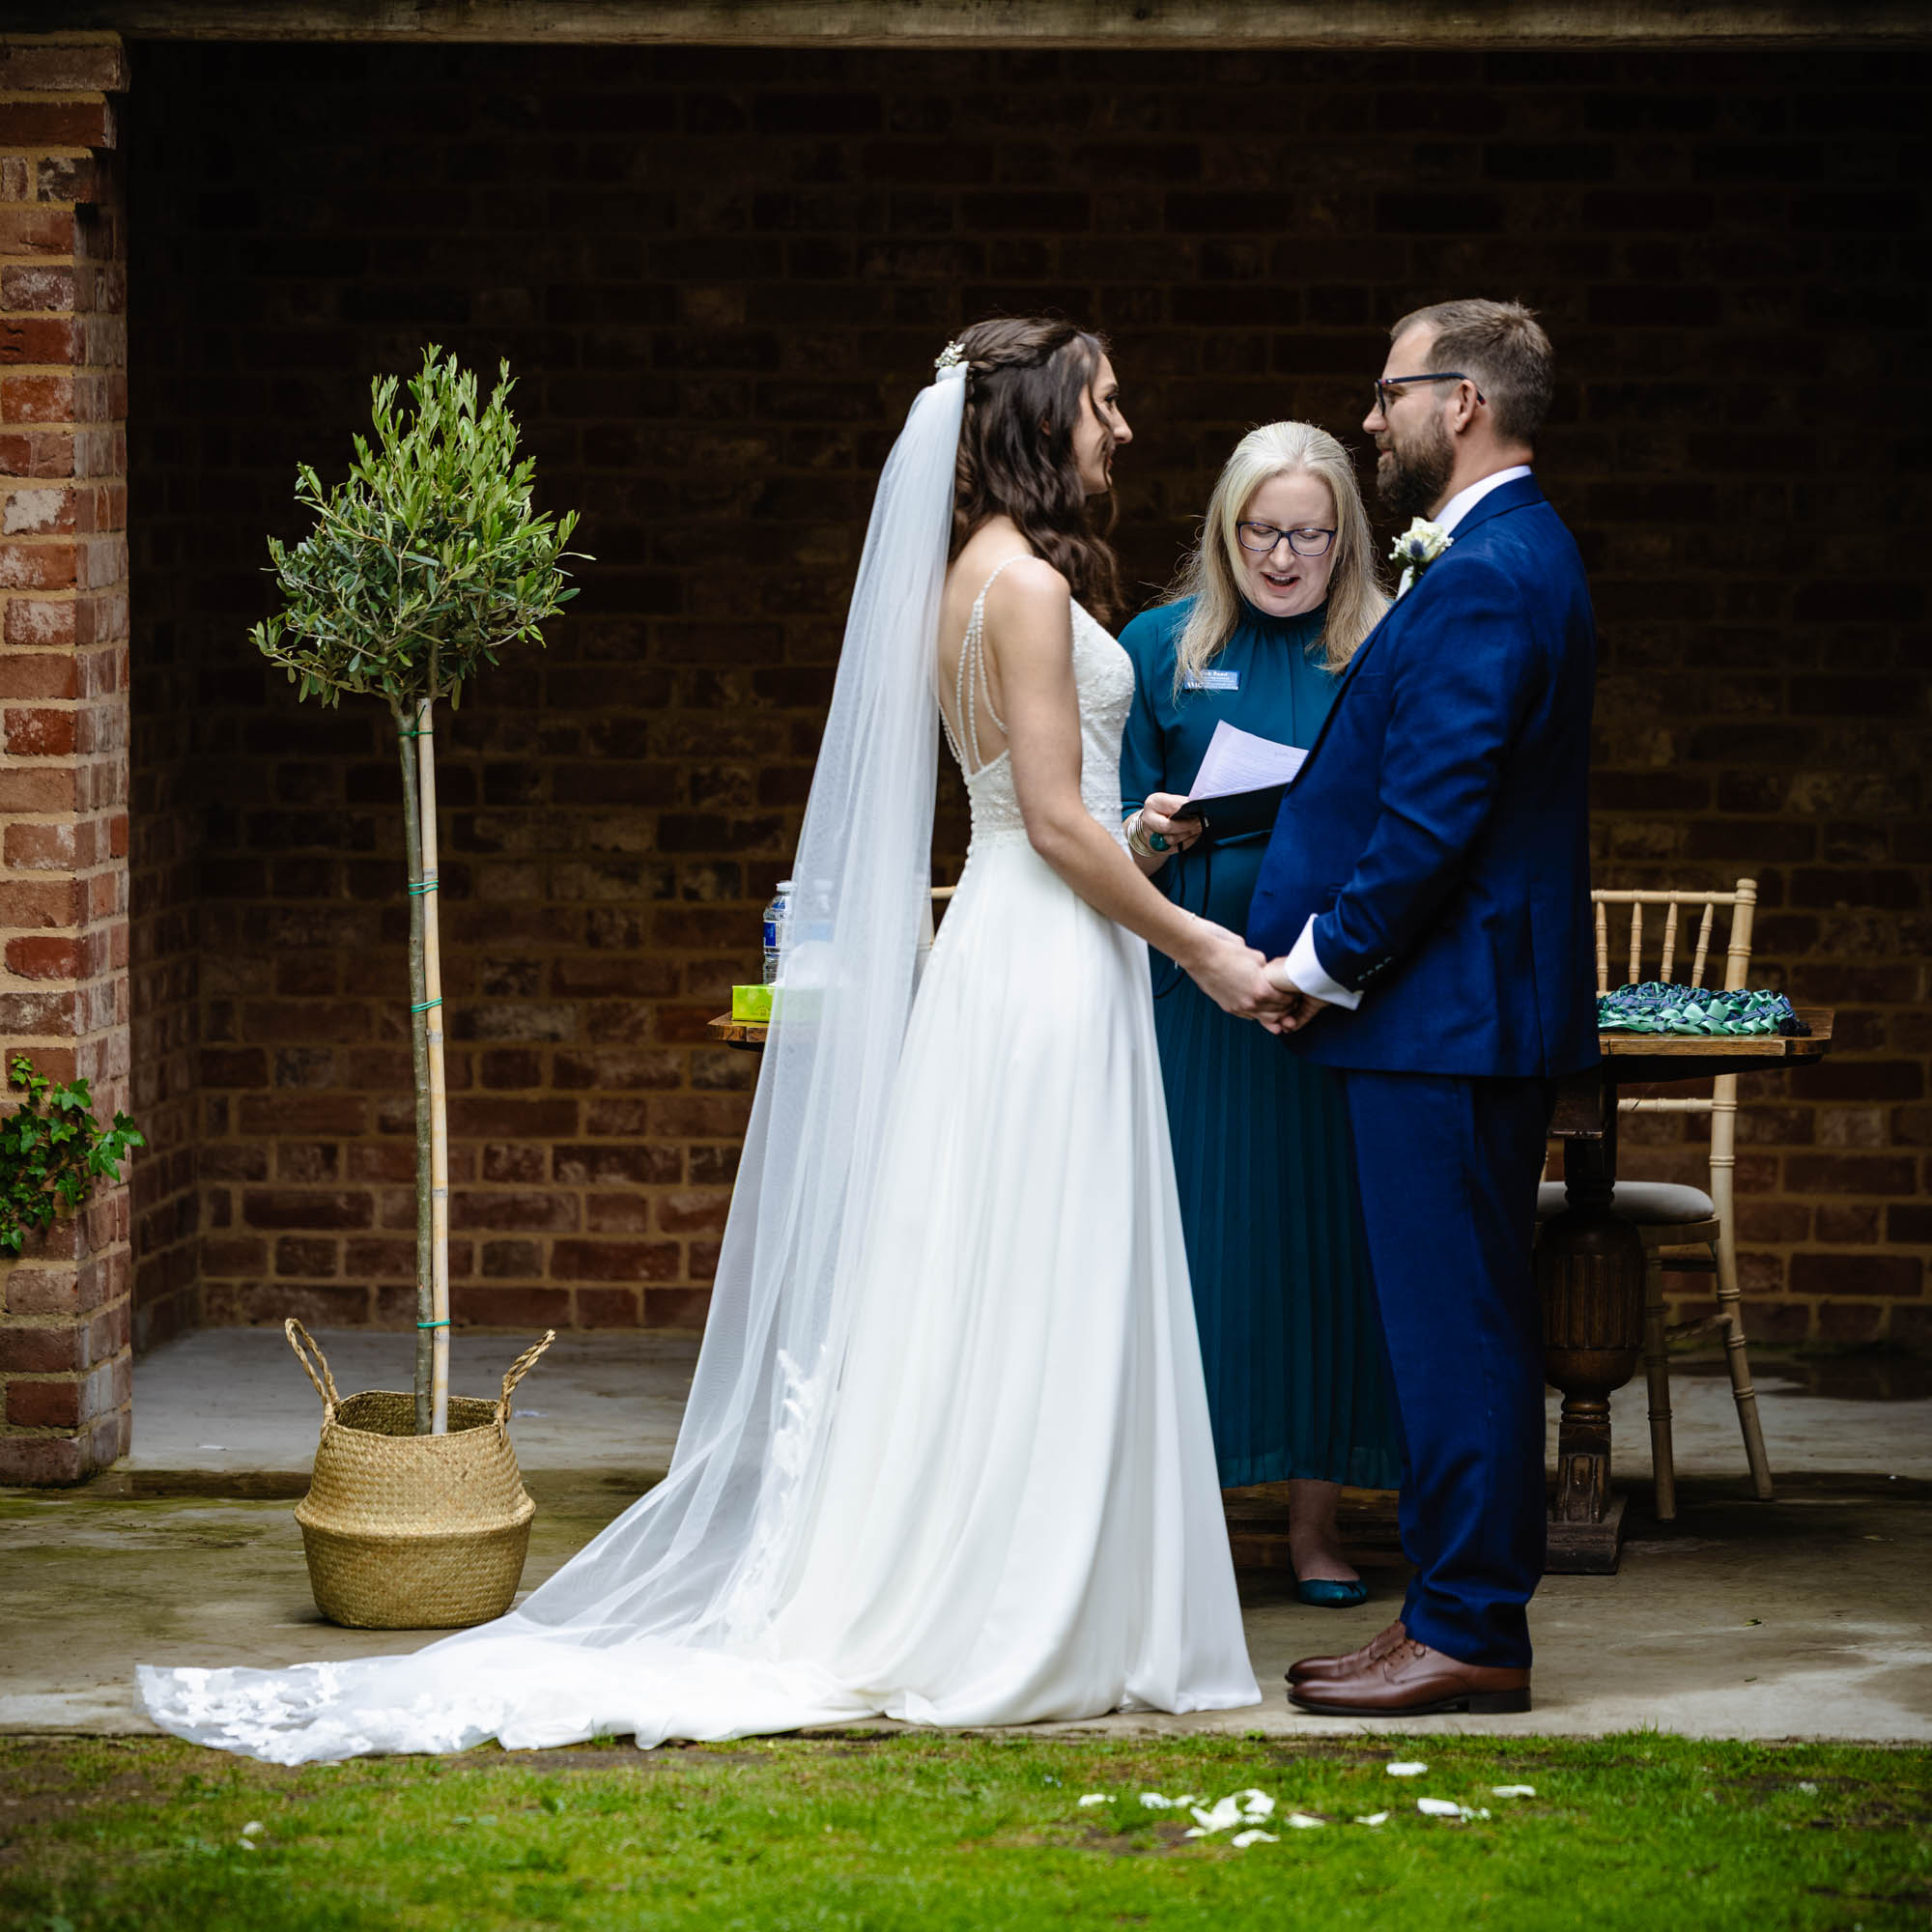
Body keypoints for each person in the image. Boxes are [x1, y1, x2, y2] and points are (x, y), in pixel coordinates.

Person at [138, 318, 1272, 1761]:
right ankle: (1018, 1605)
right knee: (1038, 1263)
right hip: (1048, 959)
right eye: (1107, 402)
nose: (1124, 426)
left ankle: (1031, 1587)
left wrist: (1142, 848)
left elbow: (1043, 813)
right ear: (1044, 419)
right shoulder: (1031, 591)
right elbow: (1051, 822)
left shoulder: (966, 582)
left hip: (1016, 948)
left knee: (1009, 1269)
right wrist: (1208, 947)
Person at [1247, 299, 1599, 1717]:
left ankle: (1465, 1630)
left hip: (1444, 1023)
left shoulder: (1489, 572)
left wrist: (1323, 961)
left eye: (1388, 390)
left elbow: (1434, 812)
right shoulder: (1506, 554)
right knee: (1463, 1325)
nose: (1371, 414)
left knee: (1453, 1331)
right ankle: (1449, 1613)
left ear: (1461, 403)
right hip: (1453, 1022)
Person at [1119, 422, 1400, 1608]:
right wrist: (1149, 825)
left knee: (1328, 1251)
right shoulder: (1157, 648)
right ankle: (1174, 1521)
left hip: (1342, 993)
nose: (1283, 555)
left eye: (1308, 531)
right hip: (1197, 995)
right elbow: (1102, 822)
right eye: (1260, 531)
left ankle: (1316, 1525)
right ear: (1223, 531)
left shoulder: (1386, 641)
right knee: (1195, 1250)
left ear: (1348, 534)